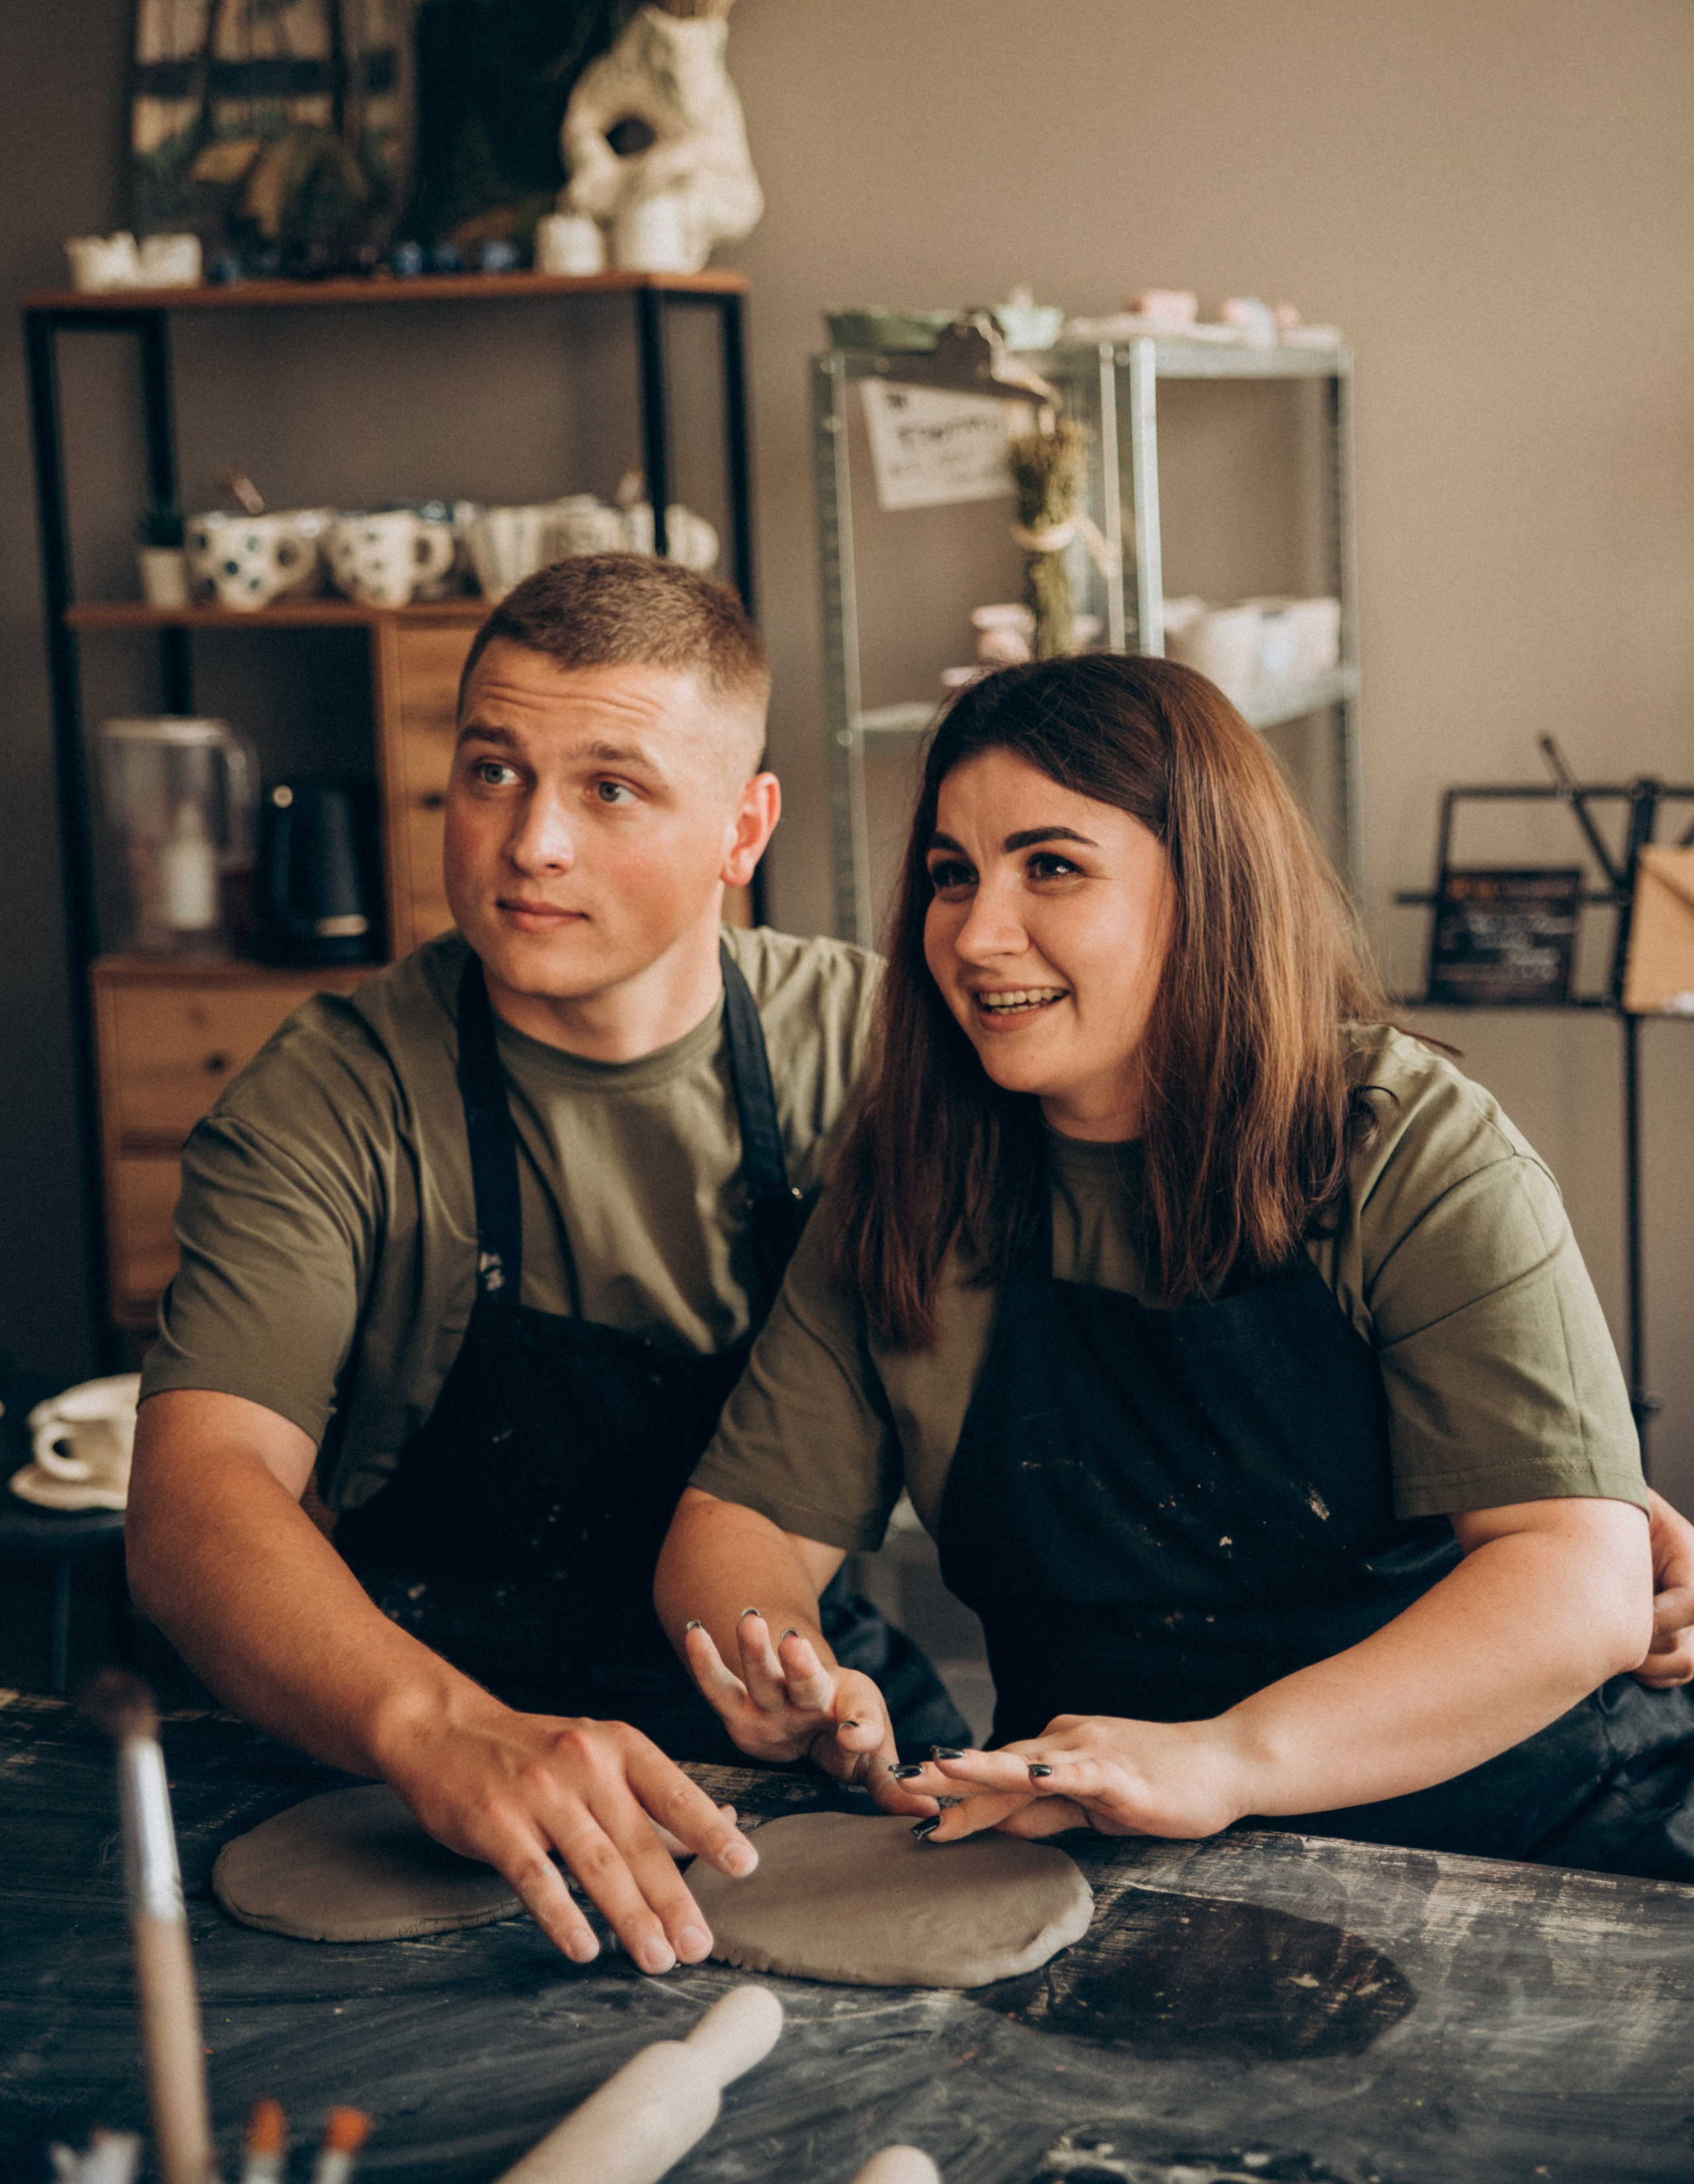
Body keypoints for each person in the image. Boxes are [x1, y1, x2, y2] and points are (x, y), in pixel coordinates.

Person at [657, 652, 1694, 1877]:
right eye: (952, 875)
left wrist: (1223, 1759)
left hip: (1530, 1845)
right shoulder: (913, 1182)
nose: (979, 935)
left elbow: (1576, 1580)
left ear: (1209, 891)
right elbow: (741, 1521)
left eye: (1052, 866)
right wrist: (780, 1660)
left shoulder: (1406, 1143)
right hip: (1118, 1854)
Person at [127, 555, 963, 1977]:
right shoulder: (335, 1090)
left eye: (610, 788)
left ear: (741, 826)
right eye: (493, 771)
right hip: (397, 1703)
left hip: (759, 1709)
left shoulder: (888, 1062)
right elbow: (196, 1499)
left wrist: (789, 1676)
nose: (531, 843)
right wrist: (431, 1727)